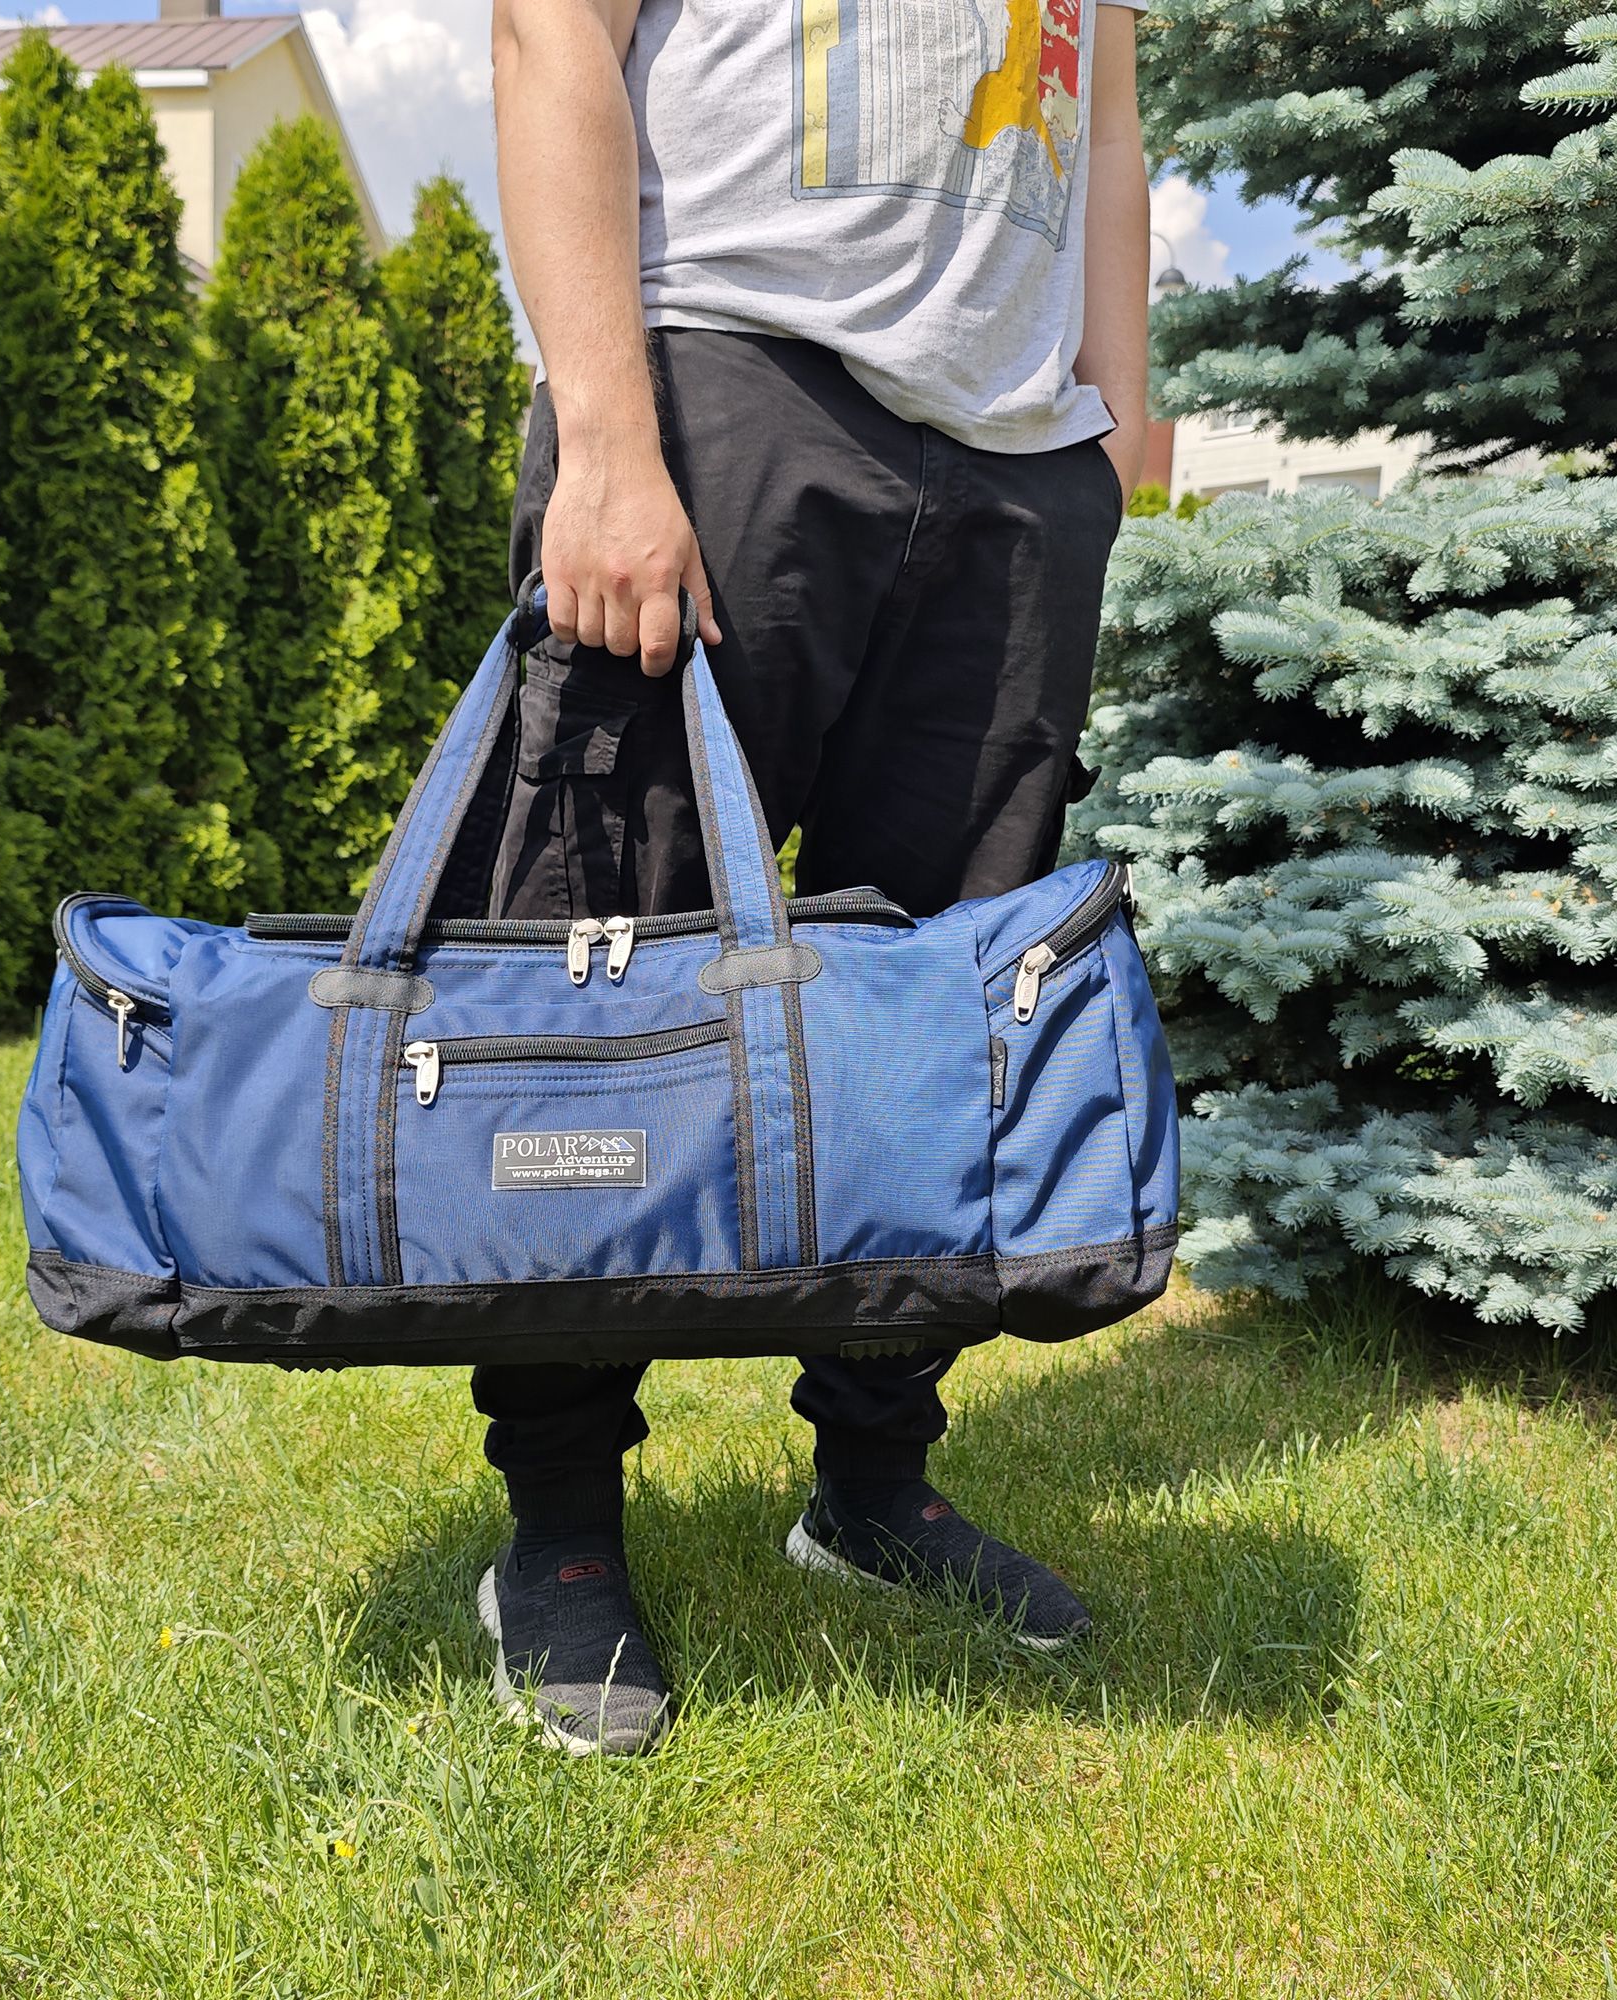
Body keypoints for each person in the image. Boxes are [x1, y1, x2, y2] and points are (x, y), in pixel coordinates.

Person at [476, 0, 1151, 1754]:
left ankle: (873, 1482)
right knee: (603, 988)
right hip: (725, 381)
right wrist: (606, 436)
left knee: (942, 1014)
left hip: (1020, 452)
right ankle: (560, 1525)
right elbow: (551, 32)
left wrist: (1119, 420)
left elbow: (1109, 122)